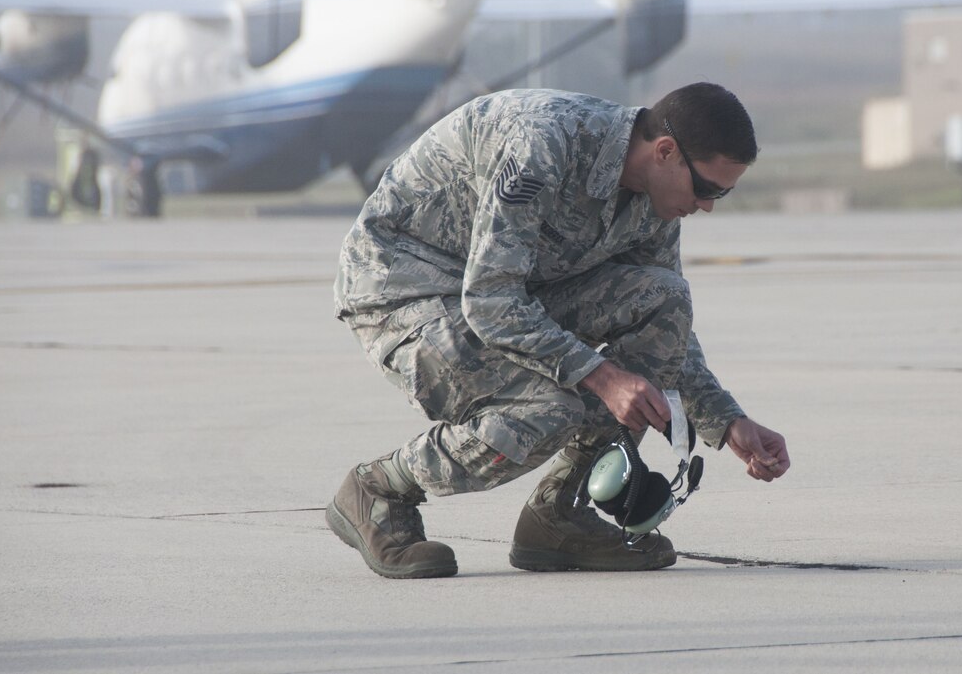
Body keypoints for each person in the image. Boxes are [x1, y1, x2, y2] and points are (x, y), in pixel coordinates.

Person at [327, 82, 790, 579]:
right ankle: (380, 489)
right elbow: (490, 299)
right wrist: (601, 375)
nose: (708, 206)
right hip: (404, 292)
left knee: (666, 296)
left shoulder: (653, 198)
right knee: (549, 409)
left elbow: (665, 325)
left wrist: (726, 421)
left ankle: (559, 514)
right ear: (665, 151)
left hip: (511, 292)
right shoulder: (543, 144)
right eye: (707, 188)